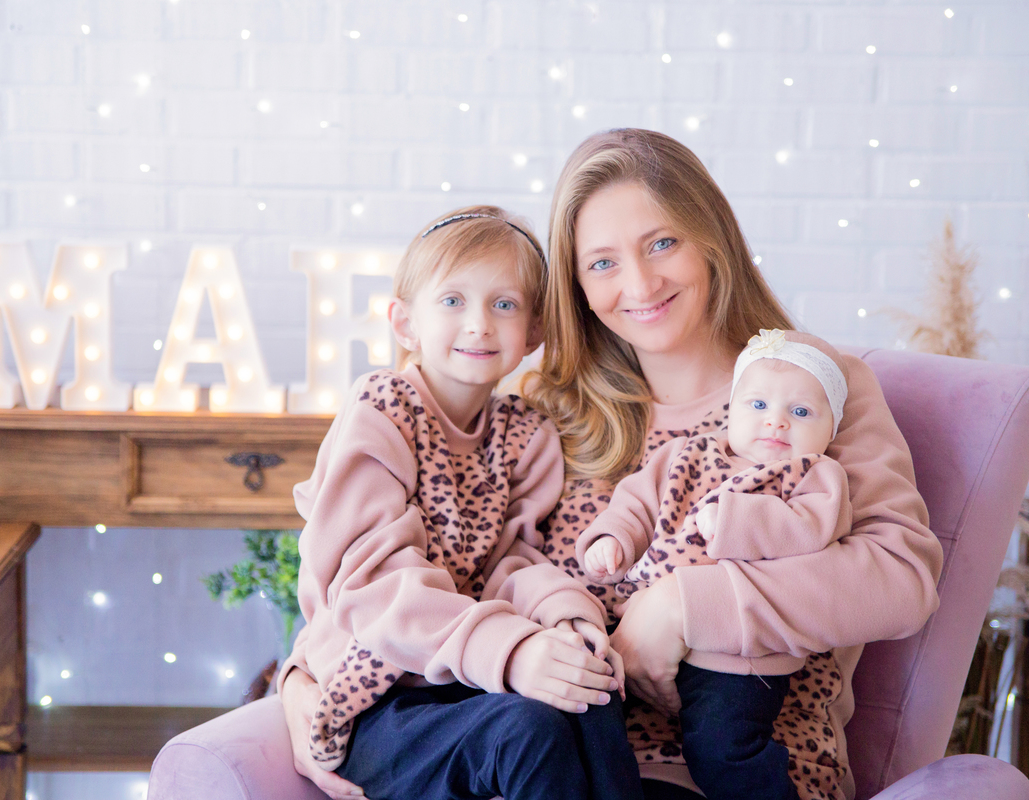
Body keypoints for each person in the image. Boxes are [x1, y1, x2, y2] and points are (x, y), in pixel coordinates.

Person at [283, 129, 943, 800]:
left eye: (662, 243)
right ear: (574, 287)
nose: (639, 283)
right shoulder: (548, 416)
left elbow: (901, 576)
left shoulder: (809, 388)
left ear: (711, 239)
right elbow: (412, 567)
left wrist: (684, 607)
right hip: (552, 756)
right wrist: (303, 681)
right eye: (602, 263)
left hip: (738, 768)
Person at [283, 205, 644, 800]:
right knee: (524, 729)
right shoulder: (383, 411)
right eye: (453, 301)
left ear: (534, 332)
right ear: (405, 323)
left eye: (503, 305)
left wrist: (566, 619)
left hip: (463, 683)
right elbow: (371, 588)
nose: (479, 324)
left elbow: (515, 565)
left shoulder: (525, 437)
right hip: (376, 695)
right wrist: (508, 648)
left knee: (587, 686)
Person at [579, 329, 854, 800]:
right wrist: (613, 539)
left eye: (801, 412)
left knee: (723, 749)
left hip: (738, 656)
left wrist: (733, 519)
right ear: (733, 408)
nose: (777, 423)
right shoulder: (685, 454)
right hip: (639, 631)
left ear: (831, 428)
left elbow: (808, 531)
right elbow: (636, 504)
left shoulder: (814, 475)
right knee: (589, 701)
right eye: (758, 405)